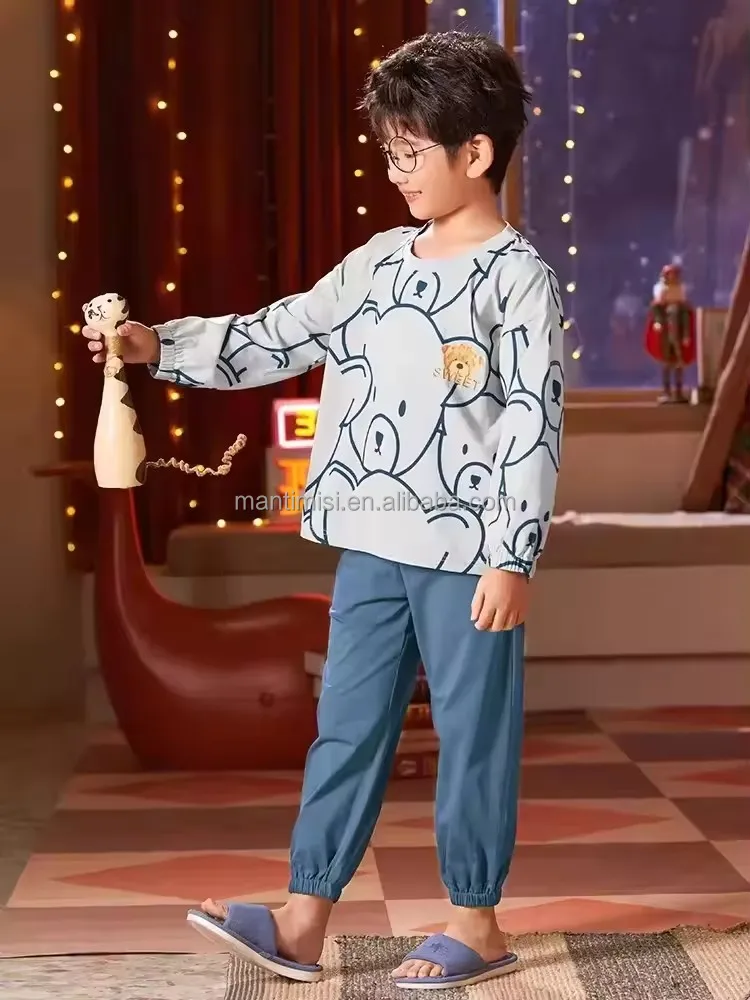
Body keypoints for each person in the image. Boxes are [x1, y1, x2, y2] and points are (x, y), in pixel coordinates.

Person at [84, 30, 564, 991]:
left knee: (474, 732)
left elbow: (532, 423)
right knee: (345, 726)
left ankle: (475, 920)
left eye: (411, 153)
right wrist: (155, 346)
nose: (395, 173)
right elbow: (280, 333)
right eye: (388, 153)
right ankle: (304, 919)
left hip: (469, 553)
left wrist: (513, 555)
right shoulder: (377, 263)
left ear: (475, 151)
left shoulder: (520, 279)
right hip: (371, 543)